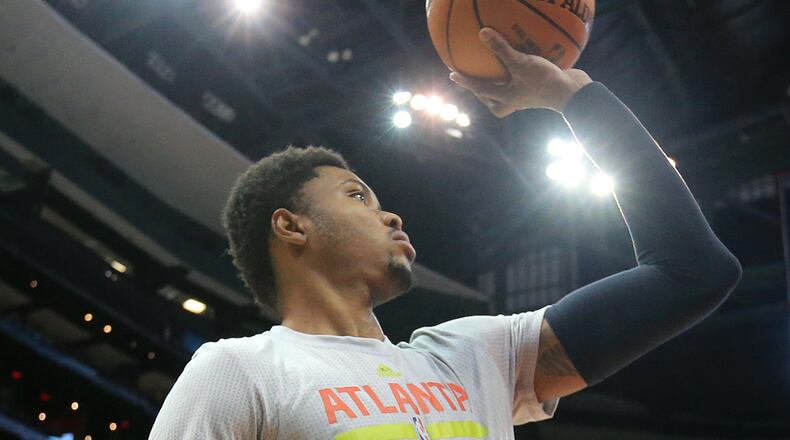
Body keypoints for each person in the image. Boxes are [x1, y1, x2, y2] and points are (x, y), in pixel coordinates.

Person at [148, 28, 741, 439]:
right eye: (358, 196)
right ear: (290, 226)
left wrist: (575, 100)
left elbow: (692, 273)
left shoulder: (474, 356)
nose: (392, 216)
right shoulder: (239, 370)